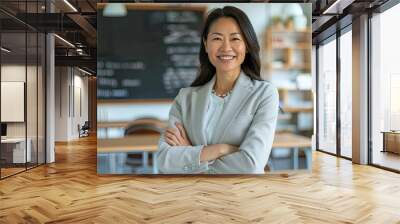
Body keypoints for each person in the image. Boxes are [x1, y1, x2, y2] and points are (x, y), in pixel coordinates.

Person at [157, 6, 279, 174]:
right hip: (192, 196)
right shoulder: (185, 98)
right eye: (217, 39)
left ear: (247, 45)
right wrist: (221, 149)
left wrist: (191, 152)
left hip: (240, 196)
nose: (226, 48)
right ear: (206, 45)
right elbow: (164, 161)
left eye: (235, 39)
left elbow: (251, 165)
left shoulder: (264, 94)